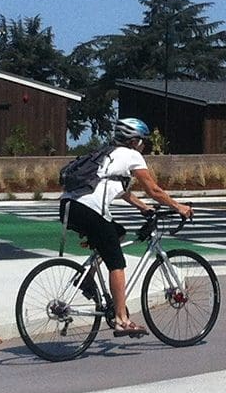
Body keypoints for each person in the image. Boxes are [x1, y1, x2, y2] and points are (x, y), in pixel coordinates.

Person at [59, 117, 193, 336]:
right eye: (142, 140)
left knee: (117, 233)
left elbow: (118, 189)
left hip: (69, 207)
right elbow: (153, 189)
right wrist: (179, 207)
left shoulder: (107, 154)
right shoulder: (132, 156)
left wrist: (143, 207)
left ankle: (87, 277)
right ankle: (122, 320)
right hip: (89, 210)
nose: (143, 145)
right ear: (134, 140)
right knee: (117, 263)